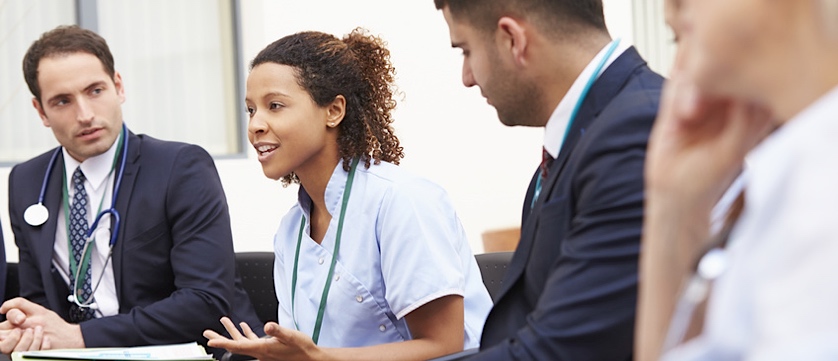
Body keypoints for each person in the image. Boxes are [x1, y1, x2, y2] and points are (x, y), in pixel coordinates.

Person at [203, 28, 493, 361]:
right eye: (251, 110)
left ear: (334, 111)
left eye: (275, 105)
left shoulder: (401, 201)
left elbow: (445, 344)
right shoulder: (291, 230)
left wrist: (320, 358)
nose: (255, 125)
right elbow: (307, 350)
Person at [0, 25, 263, 356]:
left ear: (118, 87)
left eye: (95, 91)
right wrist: (28, 328)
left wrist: (81, 336)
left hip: (185, 352)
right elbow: (38, 302)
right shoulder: (27, 180)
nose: (85, 115)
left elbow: (204, 303)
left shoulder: (180, 168)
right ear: (41, 111)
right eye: (63, 101)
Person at [434, 0, 664, 359]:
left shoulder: (635, 134)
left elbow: (563, 348)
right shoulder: (583, 141)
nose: (467, 77)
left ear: (512, 38)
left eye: (466, 50)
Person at [635, 0, 838, 360]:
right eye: (673, 39)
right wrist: (674, 205)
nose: (673, 5)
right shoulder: (789, 174)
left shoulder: (820, 196)